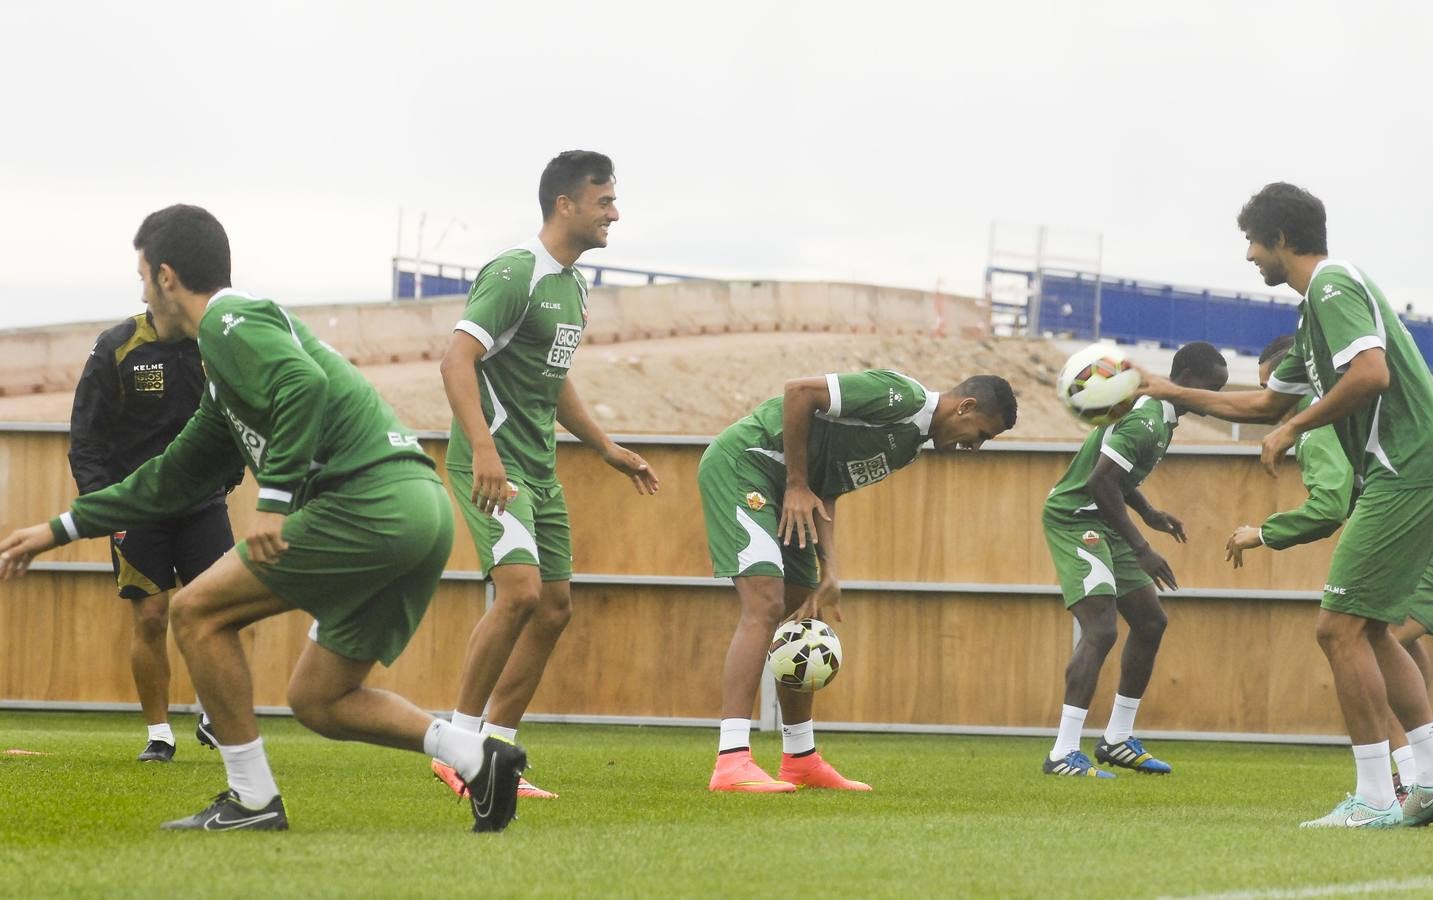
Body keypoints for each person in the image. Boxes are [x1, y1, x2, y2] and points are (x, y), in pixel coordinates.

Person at [0, 205, 523, 832]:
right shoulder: (223, 374)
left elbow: (301, 384)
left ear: (166, 277)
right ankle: (477, 756)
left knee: (194, 610)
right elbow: (164, 480)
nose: (141, 295)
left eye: (142, 278)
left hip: (369, 502)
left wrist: (273, 503)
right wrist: (57, 529)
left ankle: (251, 801)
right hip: (418, 509)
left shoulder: (227, 318)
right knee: (320, 700)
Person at [1139, 183, 1433, 828]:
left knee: (1336, 628)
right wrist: (1167, 390)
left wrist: (1295, 429)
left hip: (1407, 473)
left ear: (1283, 240)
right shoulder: (1311, 321)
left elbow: (1370, 373)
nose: (1249, 257)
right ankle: (1432, 777)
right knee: (1371, 629)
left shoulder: (1332, 284)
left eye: (1253, 243)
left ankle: (1376, 798)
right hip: (1419, 474)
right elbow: (1264, 404)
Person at [433, 150, 658, 801]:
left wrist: (608, 449)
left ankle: (497, 753)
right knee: (522, 593)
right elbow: (455, 361)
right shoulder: (516, 273)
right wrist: (482, 451)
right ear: (565, 204)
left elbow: (553, 384)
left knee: (554, 608)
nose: (614, 213)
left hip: (538, 469)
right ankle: (457, 747)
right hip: (493, 468)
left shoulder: (575, 286)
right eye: (604, 201)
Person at [702, 370, 1016, 791]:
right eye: (980, 434)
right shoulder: (901, 398)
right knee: (765, 606)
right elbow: (800, 392)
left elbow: (827, 484)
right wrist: (796, 483)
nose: (975, 446)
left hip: (794, 492)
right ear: (965, 407)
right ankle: (732, 760)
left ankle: (800, 758)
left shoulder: (909, 446)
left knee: (800, 615)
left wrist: (829, 567)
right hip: (746, 466)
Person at [1225, 335, 1433, 798]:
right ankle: (1422, 767)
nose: (1273, 405)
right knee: (1388, 640)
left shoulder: (1315, 426)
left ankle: (1406, 780)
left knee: (1363, 643)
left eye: (1274, 389)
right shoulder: (1352, 404)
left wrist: (1263, 533)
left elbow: (1329, 506)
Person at [1038, 342, 1226, 777]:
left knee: (1150, 622)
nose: (1214, 397)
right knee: (1101, 629)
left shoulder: (1163, 417)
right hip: (1075, 519)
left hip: (1106, 517)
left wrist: (1149, 513)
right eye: (1212, 388)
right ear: (1187, 380)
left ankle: (1117, 739)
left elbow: (1115, 480)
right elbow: (1101, 481)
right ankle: (1062, 754)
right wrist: (1142, 547)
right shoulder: (1145, 418)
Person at [69, 305, 229, 761]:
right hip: (134, 505)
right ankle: (159, 734)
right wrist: (102, 502)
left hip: (204, 502)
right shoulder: (116, 346)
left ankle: (215, 716)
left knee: (218, 610)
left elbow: (238, 414)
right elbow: (86, 432)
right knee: (152, 615)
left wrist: (229, 476)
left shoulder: (212, 345)